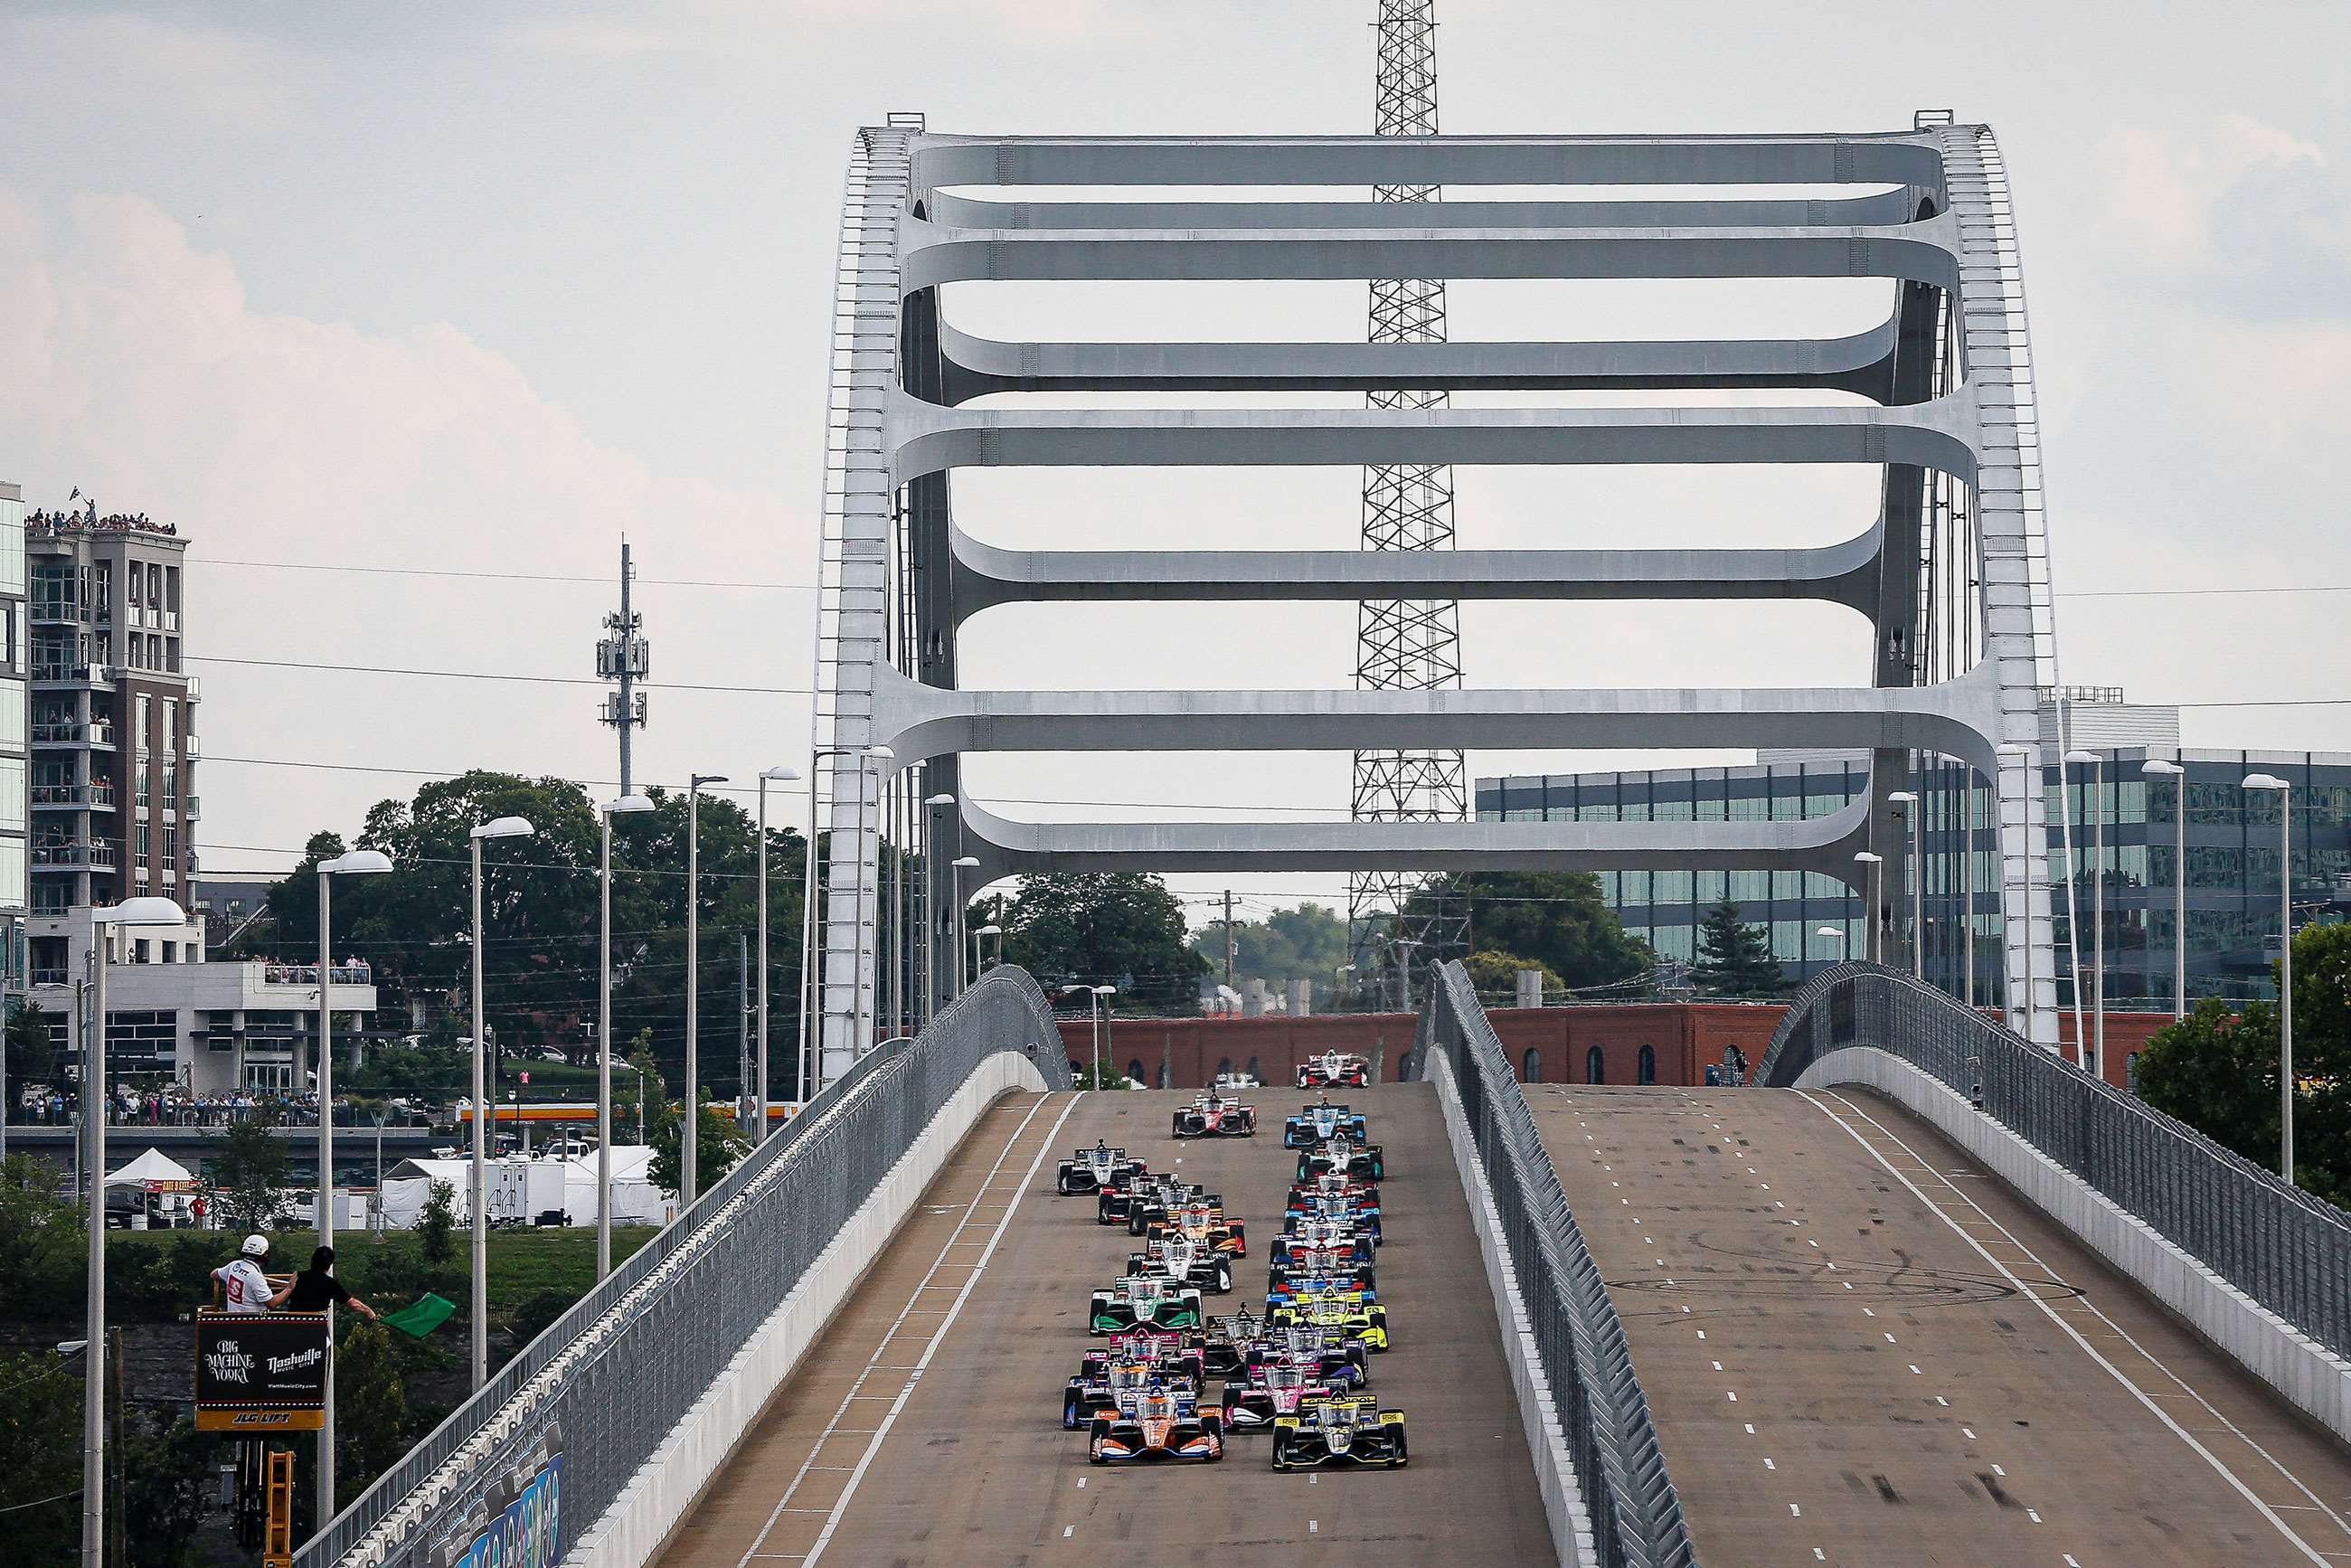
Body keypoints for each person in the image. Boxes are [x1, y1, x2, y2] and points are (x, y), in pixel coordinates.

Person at [272, 1245, 380, 1321]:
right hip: (315, 1328)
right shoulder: (330, 1283)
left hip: (292, 1325)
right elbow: (353, 1304)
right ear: (329, 1265)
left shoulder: (297, 1277)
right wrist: (368, 1311)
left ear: (312, 1261)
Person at [212, 1234, 276, 1313]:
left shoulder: (234, 1265)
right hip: (253, 1322)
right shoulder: (256, 1277)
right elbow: (272, 1303)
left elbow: (214, 1274)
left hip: (233, 1319)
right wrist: (289, 1288)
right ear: (265, 1254)